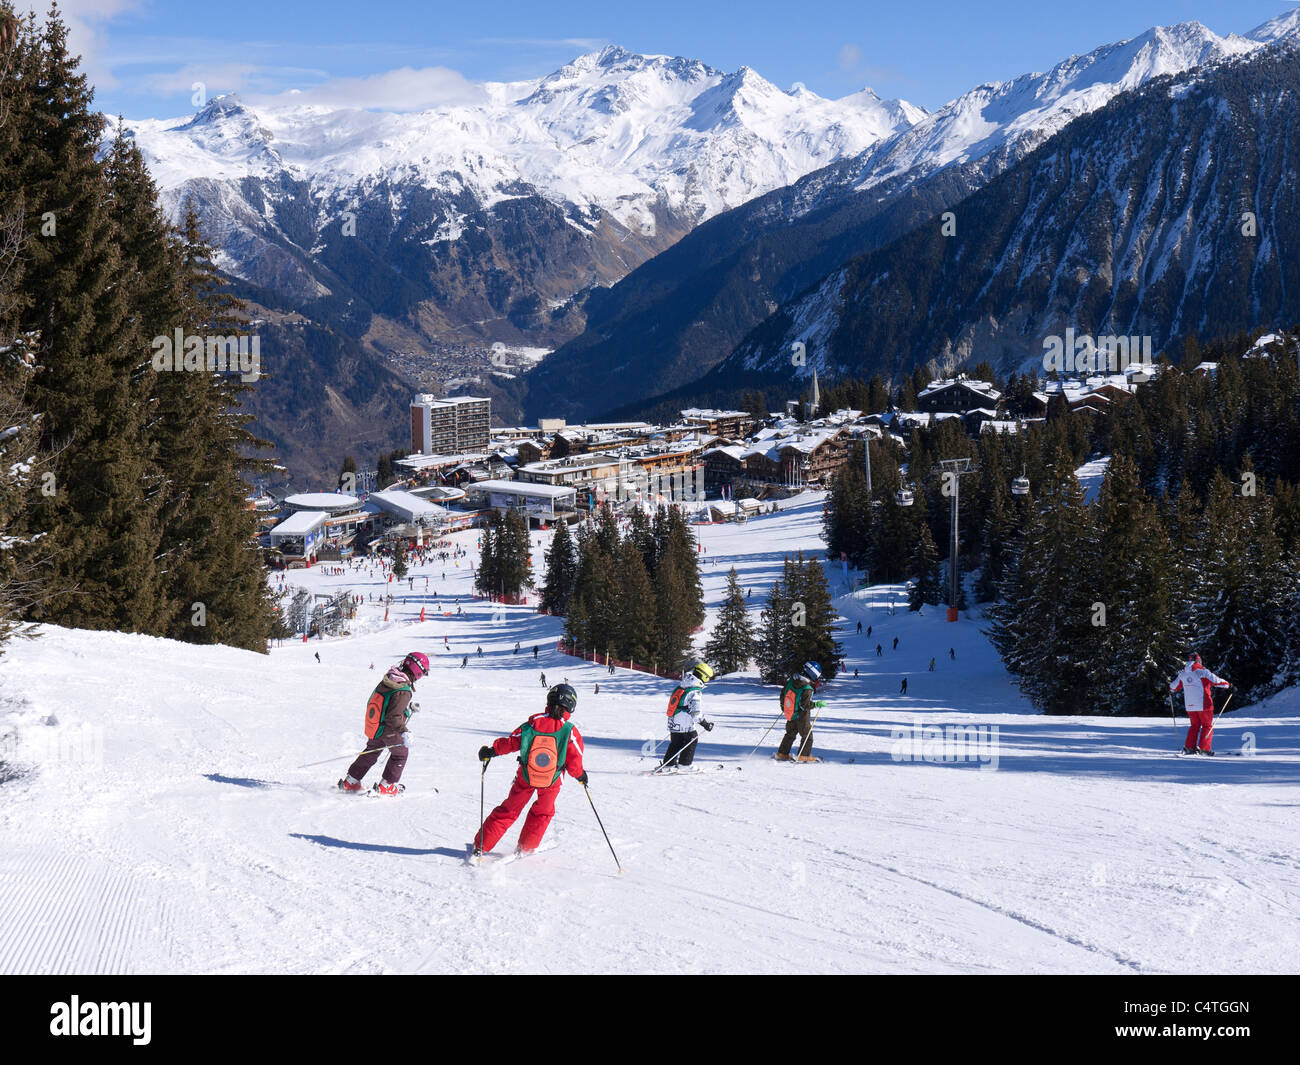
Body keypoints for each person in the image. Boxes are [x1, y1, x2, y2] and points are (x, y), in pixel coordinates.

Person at [473, 684, 586, 856]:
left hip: (526, 775)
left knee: (509, 810)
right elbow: (574, 760)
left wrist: (491, 751)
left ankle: (481, 845)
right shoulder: (570, 731)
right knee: (543, 812)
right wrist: (581, 776)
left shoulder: (534, 723)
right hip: (552, 780)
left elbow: (512, 742)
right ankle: (525, 847)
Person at [338, 652, 429, 795]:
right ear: (418, 672)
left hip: (376, 726)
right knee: (401, 753)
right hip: (388, 729)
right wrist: (404, 731)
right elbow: (393, 717)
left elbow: (389, 707)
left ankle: (351, 781)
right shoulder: (403, 690)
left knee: (371, 752)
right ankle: (387, 786)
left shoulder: (389, 679)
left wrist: (404, 712)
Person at [1171, 652, 1231, 755]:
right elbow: (1216, 681)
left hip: (1190, 706)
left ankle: (1189, 748)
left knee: (1194, 726)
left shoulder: (1183, 673)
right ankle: (1204, 749)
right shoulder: (1202, 671)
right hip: (1204, 704)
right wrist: (1229, 685)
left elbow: (1172, 687)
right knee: (1207, 726)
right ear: (1198, 660)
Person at [662, 661, 715, 770]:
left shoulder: (683, 685)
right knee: (692, 739)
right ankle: (685, 765)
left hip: (673, 719)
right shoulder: (695, 691)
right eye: (708, 678)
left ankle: (668, 765)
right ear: (703, 677)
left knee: (676, 742)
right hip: (685, 722)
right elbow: (696, 713)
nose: (707, 681)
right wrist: (705, 724)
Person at [776, 661, 824, 763]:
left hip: (791, 713)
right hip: (802, 717)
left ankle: (782, 754)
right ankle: (803, 756)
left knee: (790, 734)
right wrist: (816, 704)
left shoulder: (792, 681)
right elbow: (805, 705)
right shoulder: (807, 688)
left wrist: (783, 706)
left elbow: (783, 693)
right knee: (807, 736)